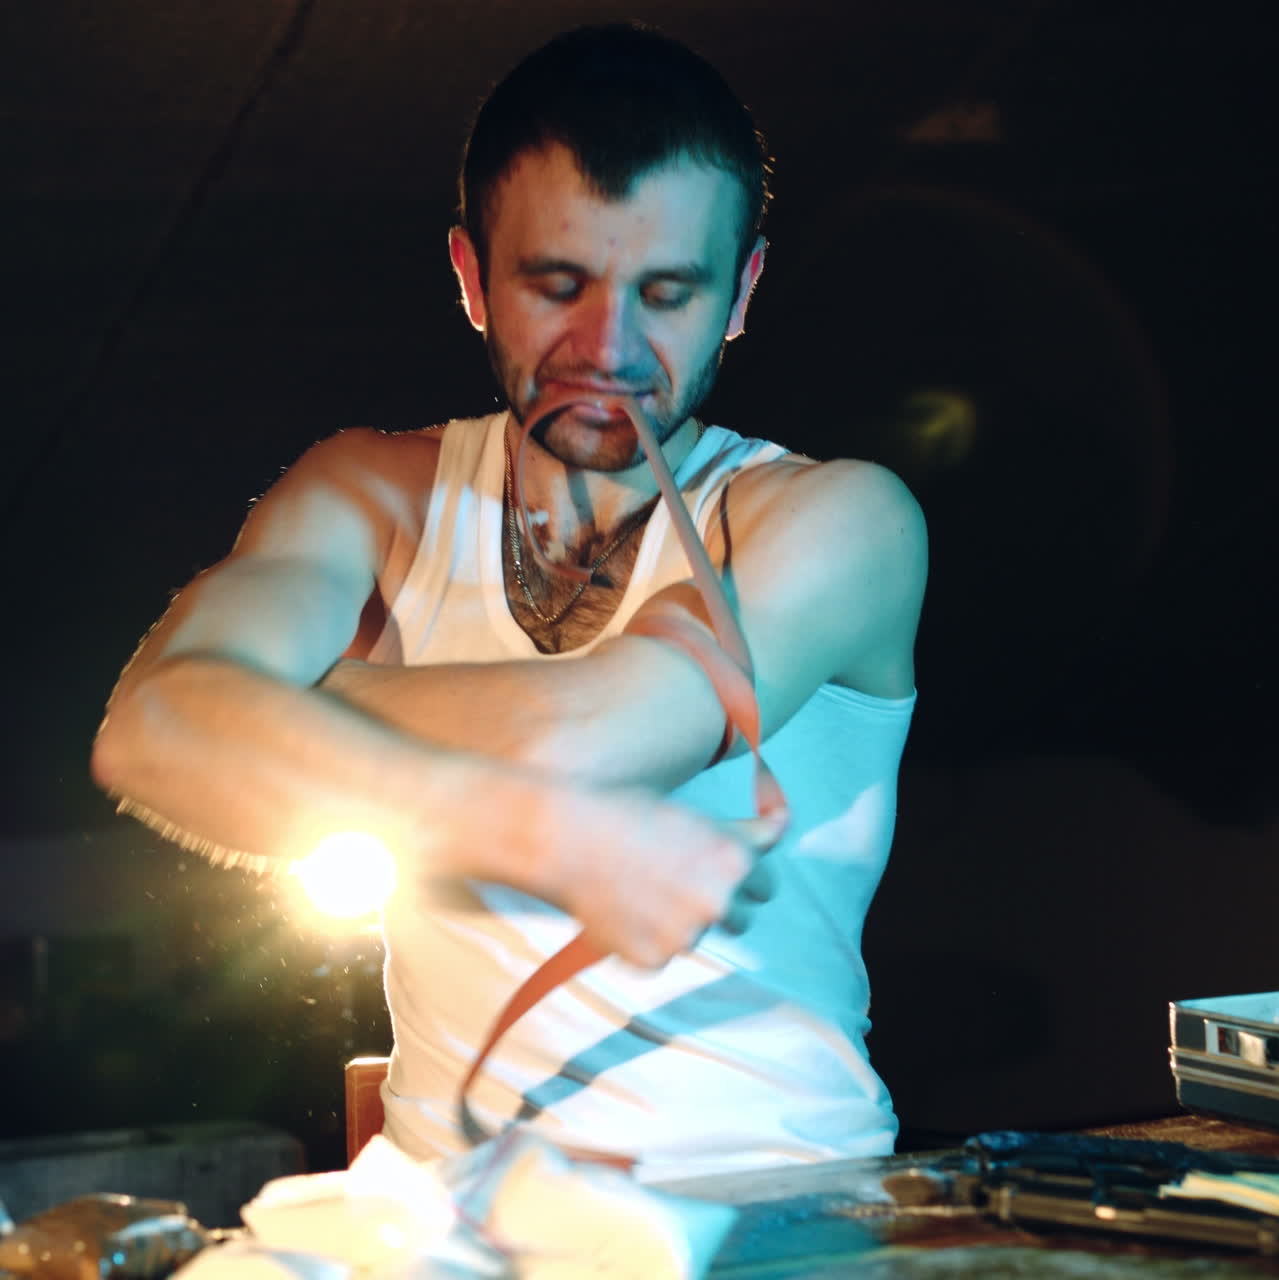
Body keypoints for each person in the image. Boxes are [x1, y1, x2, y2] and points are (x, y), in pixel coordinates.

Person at [92, 23, 926, 1181]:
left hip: (768, 1193)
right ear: (471, 278)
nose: (608, 346)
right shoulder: (366, 492)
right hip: (442, 1204)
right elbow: (151, 728)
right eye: (557, 284)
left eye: (667, 292)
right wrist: (563, 841)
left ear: (739, 292)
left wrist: (290, 702)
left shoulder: (840, 520)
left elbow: (577, 740)